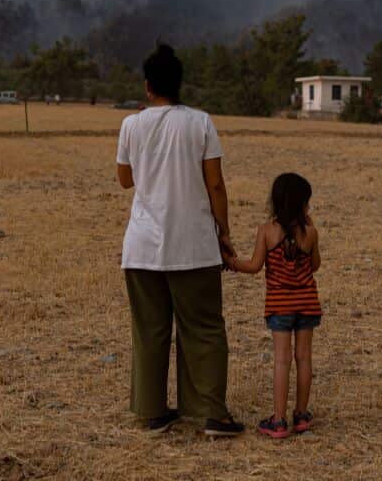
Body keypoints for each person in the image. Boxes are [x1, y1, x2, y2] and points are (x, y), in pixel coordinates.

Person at [115, 44, 244, 437]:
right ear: (179, 83)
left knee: (150, 329)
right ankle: (210, 413)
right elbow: (216, 184)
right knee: (203, 327)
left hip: (142, 247)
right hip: (194, 245)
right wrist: (224, 232)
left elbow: (125, 179)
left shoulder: (131, 126)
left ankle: (152, 412)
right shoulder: (201, 123)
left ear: (148, 85)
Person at [222, 172, 322, 439]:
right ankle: (301, 415)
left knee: (281, 360)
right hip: (307, 303)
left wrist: (230, 262)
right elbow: (314, 266)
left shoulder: (267, 231)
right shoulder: (310, 231)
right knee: (304, 358)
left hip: (279, 306)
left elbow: (254, 267)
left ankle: (278, 421)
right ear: (303, 204)